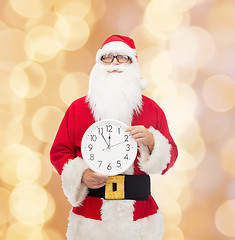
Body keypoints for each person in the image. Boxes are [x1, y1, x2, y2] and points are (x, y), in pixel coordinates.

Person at [50, 35, 178, 240]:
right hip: (91, 216)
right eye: (107, 58)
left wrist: (153, 141)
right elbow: (59, 152)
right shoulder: (78, 109)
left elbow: (171, 155)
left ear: (133, 65)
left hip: (140, 216)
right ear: (98, 65)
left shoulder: (152, 110)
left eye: (122, 57)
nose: (115, 63)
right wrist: (81, 175)